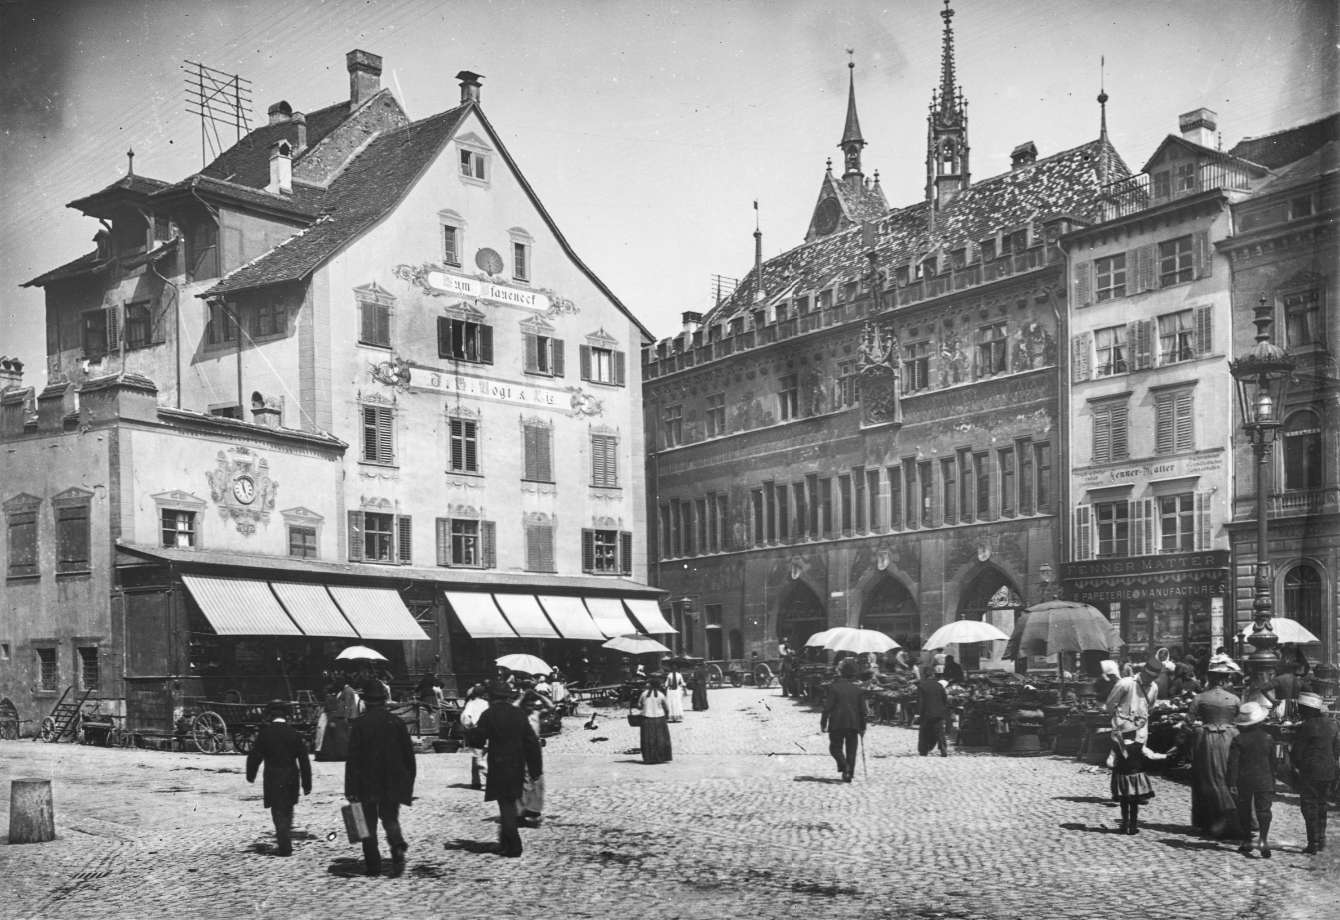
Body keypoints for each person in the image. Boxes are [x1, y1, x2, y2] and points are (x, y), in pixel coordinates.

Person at [344, 680, 416, 875]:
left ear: (366, 702)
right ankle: (397, 845)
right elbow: (409, 757)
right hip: (393, 780)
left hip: (366, 781)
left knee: (366, 824)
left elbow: (353, 759)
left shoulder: (359, 725)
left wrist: (350, 788)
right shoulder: (397, 722)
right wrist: (408, 783)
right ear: (384, 701)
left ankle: (373, 865)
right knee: (390, 818)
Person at [476, 681, 543, 857]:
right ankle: (505, 841)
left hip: (498, 764)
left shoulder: (488, 714)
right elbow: (531, 743)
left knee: (505, 805)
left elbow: (478, 741)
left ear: (491, 697)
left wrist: (469, 732)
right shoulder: (519, 714)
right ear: (507, 697)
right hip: (517, 764)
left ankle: (514, 845)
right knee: (510, 803)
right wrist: (536, 769)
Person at [245, 700, 312, 856]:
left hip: (273, 777)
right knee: (288, 810)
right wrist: (307, 784)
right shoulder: (294, 734)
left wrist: (251, 775)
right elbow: (304, 760)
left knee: (277, 812)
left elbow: (254, 756)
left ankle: (284, 845)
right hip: (291, 778)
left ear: (270, 716)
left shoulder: (265, 734)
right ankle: (285, 840)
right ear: (286, 716)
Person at [1188, 661, 1241, 839]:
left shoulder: (1200, 697)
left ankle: (1210, 821)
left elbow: (1189, 720)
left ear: (1210, 679)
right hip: (1230, 739)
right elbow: (1241, 719)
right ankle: (1232, 820)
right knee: (1228, 776)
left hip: (1207, 741)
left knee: (1207, 778)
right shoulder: (1234, 699)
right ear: (1225, 680)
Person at [1290, 691, 1340, 854]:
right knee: (1322, 805)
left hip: (1310, 772)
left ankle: (1313, 843)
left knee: (1309, 806)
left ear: (1307, 709)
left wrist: (1298, 766)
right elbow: (1336, 749)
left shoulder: (1306, 726)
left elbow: (1297, 752)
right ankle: (1322, 840)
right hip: (1328, 771)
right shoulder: (1332, 724)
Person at [1228, 701, 1275, 858]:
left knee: (1244, 810)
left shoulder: (1239, 739)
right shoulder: (1269, 738)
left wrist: (1232, 783)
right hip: (1265, 779)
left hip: (1244, 779)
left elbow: (1233, 764)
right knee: (1264, 811)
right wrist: (1273, 781)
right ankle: (1263, 841)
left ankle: (1247, 840)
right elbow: (1273, 763)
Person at [1109, 728, 1169, 834]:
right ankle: (1132, 827)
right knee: (1134, 803)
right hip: (1136, 777)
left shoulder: (1117, 747)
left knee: (1124, 802)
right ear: (1134, 735)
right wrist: (1166, 756)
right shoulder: (1139, 746)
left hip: (1122, 777)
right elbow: (1152, 756)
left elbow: (1109, 762)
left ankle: (1124, 825)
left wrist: (1118, 766)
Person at [820, 658, 867, 782]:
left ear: (841, 672)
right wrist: (863, 727)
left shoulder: (833, 688)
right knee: (851, 750)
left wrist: (823, 723)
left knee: (835, 748)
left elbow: (827, 708)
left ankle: (844, 766)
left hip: (837, 723)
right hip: (853, 724)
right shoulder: (858, 690)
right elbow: (863, 711)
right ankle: (849, 774)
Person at [1106, 659, 1161, 743]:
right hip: (1122, 731)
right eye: (1148, 675)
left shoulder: (1154, 688)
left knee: (1138, 754)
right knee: (1120, 754)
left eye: (1153, 677)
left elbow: (1150, 709)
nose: (1150, 679)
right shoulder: (1125, 683)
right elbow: (1110, 706)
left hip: (1140, 735)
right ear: (1143, 671)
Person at [459, 684, 491, 790]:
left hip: (476, 731)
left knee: (477, 758)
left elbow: (466, 717)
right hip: (487, 731)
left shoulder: (471, 704)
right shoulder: (486, 703)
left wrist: (470, 726)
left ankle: (492, 779)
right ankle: (475, 781)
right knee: (478, 756)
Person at [637, 673, 673, 764]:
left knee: (648, 739)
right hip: (659, 719)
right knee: (660, 738)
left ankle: (649, 758)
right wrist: (667, 715)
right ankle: (660, 757)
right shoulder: (661, 695)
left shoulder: (644, 694)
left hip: (647, 718)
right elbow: (666, 708)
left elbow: (639, 706)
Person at [916, 667, 950, 757]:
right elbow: (945, 699)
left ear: (925, 675)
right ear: (933, 675)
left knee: (924, 732)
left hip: (927, 712)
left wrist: (920, 713)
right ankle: (943, 749)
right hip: (939, 712)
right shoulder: (939, 686)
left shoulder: (922, 686)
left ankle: (924, 750)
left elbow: (921, 702)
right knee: (940, 732)